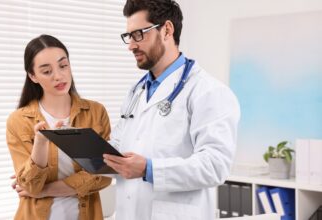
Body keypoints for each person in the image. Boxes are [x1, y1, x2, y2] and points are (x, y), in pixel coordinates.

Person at [103, 0, 240, 219]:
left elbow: (215, 166)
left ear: (167, 29)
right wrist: (89, 149)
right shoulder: (136, 91)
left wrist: (148, 169)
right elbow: (121, 144)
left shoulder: (208, 91)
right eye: (129, 36)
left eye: (139, 34)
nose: (131, 45)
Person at [6, 34, 111, 220]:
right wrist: (40, 143)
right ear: (33, 76)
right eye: (47, 71)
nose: (59, 76)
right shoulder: (18, 121)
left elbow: (104, 175)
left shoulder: (95, 112)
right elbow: (30, 186)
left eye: (63, 66)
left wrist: (44, 190)